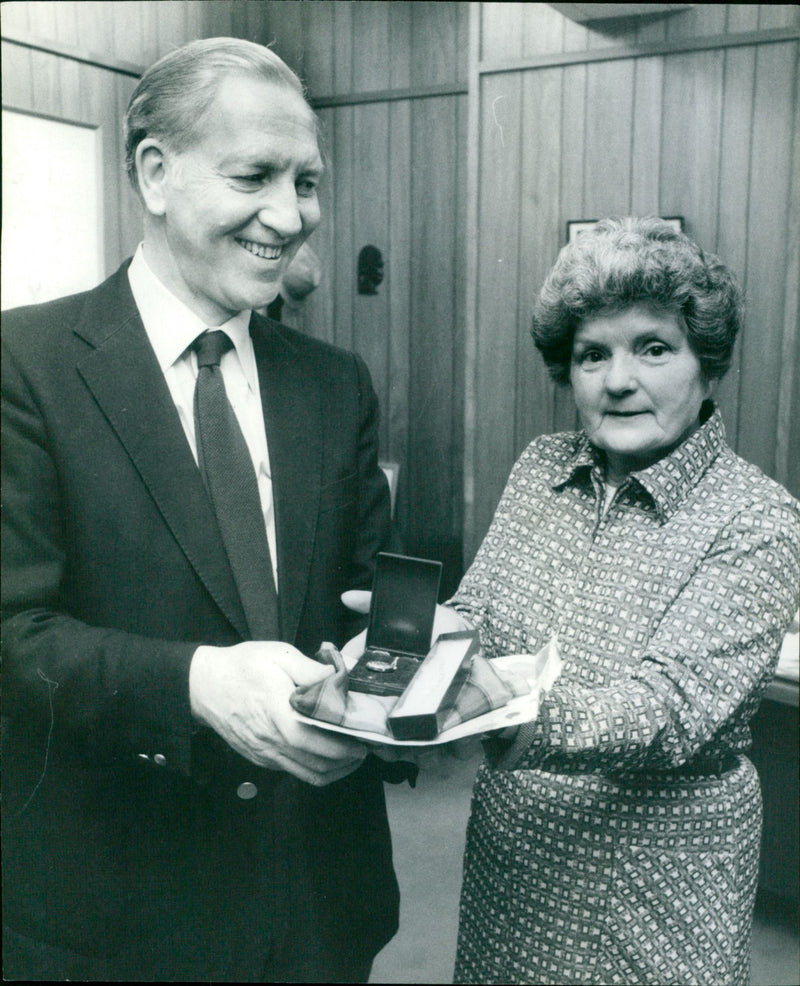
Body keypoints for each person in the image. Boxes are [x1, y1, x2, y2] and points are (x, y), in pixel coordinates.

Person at [1, 37, 403, 983]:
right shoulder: (26, 367)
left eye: (306, 181)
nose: (289, 214)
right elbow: (13, 633)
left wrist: (407, 662)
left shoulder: (335, 385)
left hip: (318, 905)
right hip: (115, 915)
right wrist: (195, 683)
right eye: (253, 175)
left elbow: (374, 598)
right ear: (154, 171)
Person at [449, 217, 800, 985]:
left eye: (652, 347)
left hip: (657, 888)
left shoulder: (758, 517)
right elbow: (476, 611)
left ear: (706, 363)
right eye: (591, 355)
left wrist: (506, 709)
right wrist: (409, 654)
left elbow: (671, 707)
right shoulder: (541, 465)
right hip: (515, 862)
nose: (616, 379)